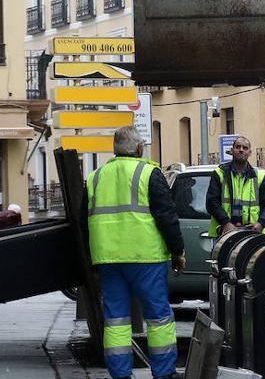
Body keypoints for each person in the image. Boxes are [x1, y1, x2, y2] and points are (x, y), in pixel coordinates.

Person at [87, 126, 186, 379]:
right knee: (158, 317)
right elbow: (167, 216)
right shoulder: (149, 173)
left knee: (116, 319)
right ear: (139, 148)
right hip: (146, 257)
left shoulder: (96, 177)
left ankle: (120, 375)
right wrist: (177, 251)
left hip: (108, 259)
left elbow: (83, 219)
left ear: (115, 149)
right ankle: (163, 373)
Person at [206, 135, 265, 237]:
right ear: (232, 150)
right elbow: (211, 202)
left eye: (245, 148)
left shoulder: (260, 177)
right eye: (238, 147)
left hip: (252, 234)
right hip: (224, 233)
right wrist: (225, 223)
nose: (241, 150)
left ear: (249, 153)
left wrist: (261, 223)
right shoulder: (219, 173)